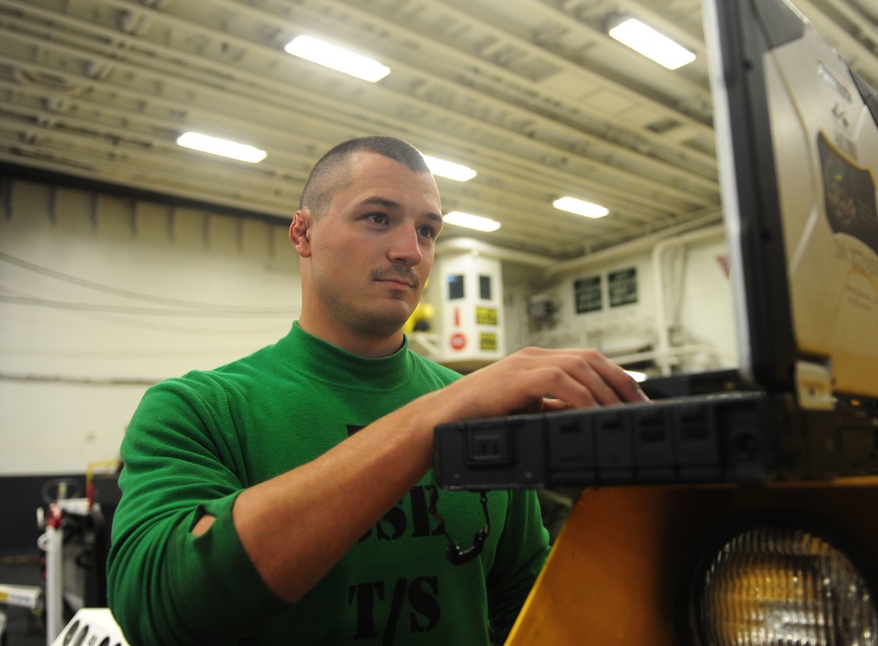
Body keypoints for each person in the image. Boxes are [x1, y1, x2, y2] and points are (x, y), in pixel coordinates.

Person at [106, 136, 647, 645]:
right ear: (303, 232)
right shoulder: (199, 409)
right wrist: (433, 419)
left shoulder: (486, 411)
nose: (410, 250)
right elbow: (161, 611)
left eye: (427, 230)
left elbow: (522, 605)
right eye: (378, 218)